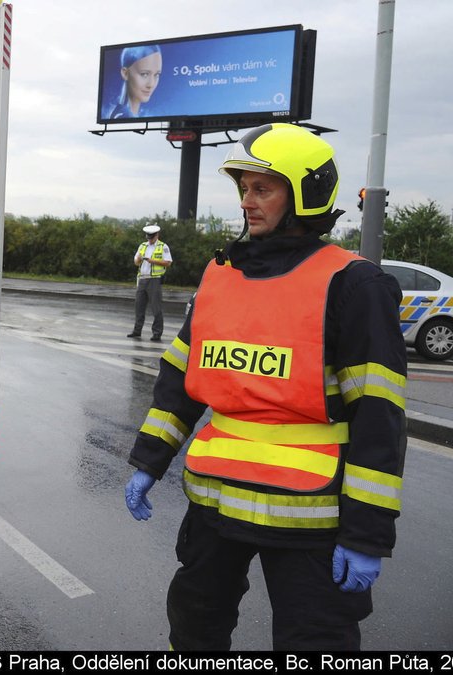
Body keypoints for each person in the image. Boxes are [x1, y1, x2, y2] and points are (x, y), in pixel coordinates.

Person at [123, 123, 407, 651]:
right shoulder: (220, 273)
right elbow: (180, 382)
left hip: (309, 518)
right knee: (194, 629)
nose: (248, 201)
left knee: (313, 643)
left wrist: (367, 534)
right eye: (244, 188)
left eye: (263, 188)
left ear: (305, 192)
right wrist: (148, 459)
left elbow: (378, 416)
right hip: (215, 504)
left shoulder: (354, 285)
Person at [127, 223, 172, 342]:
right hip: (142, 278)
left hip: (155, 280)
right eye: (148, 237)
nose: (150, 240)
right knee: (139, 306)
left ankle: (157, 333)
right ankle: (137, 331)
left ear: (157, 235)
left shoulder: (163, 246)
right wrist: (138, 259)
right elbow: (136, 262)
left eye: (152, 237)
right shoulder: (142, 246)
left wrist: (152, 260)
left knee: (156, 307)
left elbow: (168, 262)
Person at [109, 44, 162, 120]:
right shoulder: (122, 116)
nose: (151, 84)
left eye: (156, 75)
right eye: (144, 74)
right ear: (125, 73)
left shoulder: (128, 114)